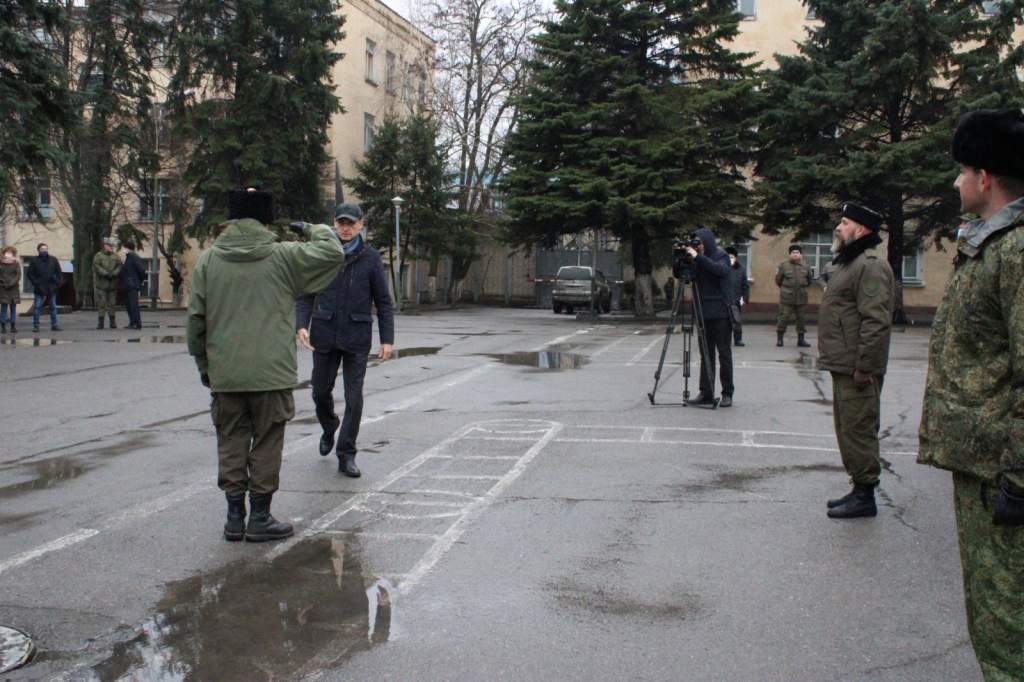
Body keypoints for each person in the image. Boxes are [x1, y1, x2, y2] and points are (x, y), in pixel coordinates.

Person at [917, 108, 1024, 679]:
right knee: (993, 614)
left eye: (961, 172)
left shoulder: (1016, 250)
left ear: (985, 178)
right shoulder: (990, 244)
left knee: (1008, 622)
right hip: (984, 466)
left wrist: (1019, 478)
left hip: (1003, 474)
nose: (955, 183)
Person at [187, 187, 345, 542]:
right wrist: (310, 227)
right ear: (266, 220)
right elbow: (332, 250)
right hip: (271, 373)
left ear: (231, 219)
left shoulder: (209, 261)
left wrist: (204, 364)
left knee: (230, 439)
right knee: (268, 441)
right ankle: (259, 516)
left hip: (225, 372)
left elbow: (196, 320)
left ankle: (233, 517)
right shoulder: (284, 256)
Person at [296, 203, 394, 478]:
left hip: (356, 336)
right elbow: (305, 293)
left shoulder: (371, 257)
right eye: (342, 223)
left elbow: (383, 302)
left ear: (361, 224)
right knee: (319, 391)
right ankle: (329, 426)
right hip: (325, 335)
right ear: (334, 223)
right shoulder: (323, 255)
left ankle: (346, 454)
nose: (347, 228)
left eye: (351, 223)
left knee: (354, 398)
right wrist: (301, 324)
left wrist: (387, 339)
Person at [818, 202, 894, 519]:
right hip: (844, 363)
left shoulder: (871, 264)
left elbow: (875, 321)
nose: (838, 227)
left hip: (856, 367)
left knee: (859, 429)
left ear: (861, 229)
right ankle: (857, 487)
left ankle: (865, 495)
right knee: (848, 428)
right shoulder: (851, 261)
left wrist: (865, 365)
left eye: (845, 222)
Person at [682, 228, 734, 407]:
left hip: (720, 313)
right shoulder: (697, 258)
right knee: (706, 354)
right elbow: (683, 275)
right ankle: (706, 391)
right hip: (702, 312)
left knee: (724, 354)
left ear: (708, 242)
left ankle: (727, 393)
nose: (699, 246)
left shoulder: (721, 256)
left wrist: (698, 257)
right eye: (697, 244)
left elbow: (719, 271)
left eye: (701, 243)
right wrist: (681, 259)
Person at [775, 244, 813, 347]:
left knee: (801, 319)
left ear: (800, 254)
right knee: (784, 317)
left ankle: (801, 340)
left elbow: (810, 281)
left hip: (801, 297)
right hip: (787, 297)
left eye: (797, 252)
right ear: (789, 254)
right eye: (793, 252)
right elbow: (778, 280)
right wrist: (786, 289)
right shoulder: (784, 266)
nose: (795, 254)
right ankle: (780, 339)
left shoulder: (806, 266)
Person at [26, 242, 61, 332]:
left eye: (45, 249)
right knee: (37, 307)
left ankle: (54, 325)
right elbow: (30, 274)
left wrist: (57, 282)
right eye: (42, 249)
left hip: (51, 287)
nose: (44, 251)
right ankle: (36, 326)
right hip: (39, 288)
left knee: (53, 307)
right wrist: (36, 283)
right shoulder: (34, 261)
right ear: (38, 250)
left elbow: (59, 272)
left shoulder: (53, 259)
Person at [92, 238, 122, 329]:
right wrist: (105, 273)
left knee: (112, 304)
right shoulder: (98, 256)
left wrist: (114, 273)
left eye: (111, 246)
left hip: (112, 284)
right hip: (101, 284)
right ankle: (100, 323)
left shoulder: (116, 256)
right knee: (102, 304)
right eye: (109, 245)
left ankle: (112, 322)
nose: (111, 247)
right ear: (105, 246)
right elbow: (96, 266)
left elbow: (119, 266)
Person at [725, 246, 749, 347]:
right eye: (728, 257)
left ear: (735, 258)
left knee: (736, 320)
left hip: (736, 299)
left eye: (732, 257)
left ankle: (738, 339)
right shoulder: (721, 268)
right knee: (724, 322)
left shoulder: (741, 270)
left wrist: (745, 298)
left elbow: (745, 285)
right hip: (724, 300)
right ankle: (725, 339)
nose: (730, 259)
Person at [121, 241, 147, 329]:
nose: (123, 249)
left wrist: (138, 281)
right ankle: (132, 322)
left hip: (132, 284)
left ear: (128, 248)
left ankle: (137, 323)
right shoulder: (128, 257)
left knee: (133, 305)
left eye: (124, 248)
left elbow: (142, 271)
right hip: (128, 285)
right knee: (128, 305)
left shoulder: (134, 257)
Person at [0, 246, 20, 333]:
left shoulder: (16, 263)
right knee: (3, 308)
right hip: (3, 288)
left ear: (13, 253)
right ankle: (3, 327)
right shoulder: (0, 263)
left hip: (14, 289)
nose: (8, 253)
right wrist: (3, 283)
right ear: (4, 253)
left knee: (13, 309)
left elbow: (18, 275)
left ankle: (13, 326)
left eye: (10, 252)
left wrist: (11, 283)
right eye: (7, 252)